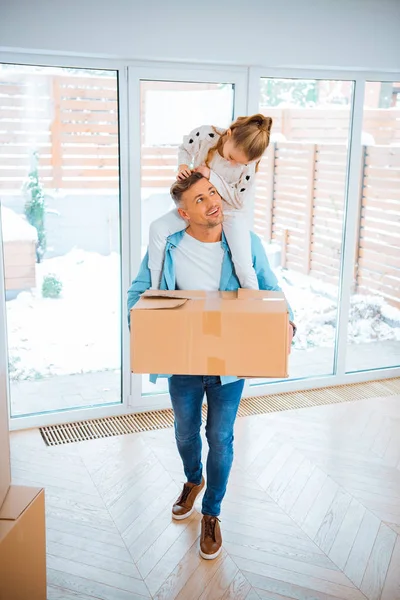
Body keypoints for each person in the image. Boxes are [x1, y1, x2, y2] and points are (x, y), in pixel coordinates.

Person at [127, 172, 296, 560]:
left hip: (228, 361)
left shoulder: (243, 244)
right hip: (182, 360)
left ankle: (212, 513)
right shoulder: (167, 246)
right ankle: (193, 479)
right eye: (200, 200)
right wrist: (142, 323)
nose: (212, 202)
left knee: (220, 438)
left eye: (212, 193)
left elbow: (271, 289)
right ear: (183, 213)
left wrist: (287, 320)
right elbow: (139, 290)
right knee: (186, 434)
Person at [148, 114, 273, 291]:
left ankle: (252, 307)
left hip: (229, 211)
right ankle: (155, 291)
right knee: (157, 228)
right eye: (231, 157)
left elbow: (238, 200)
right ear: (229, 134)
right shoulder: (207, 136)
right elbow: (185, 148)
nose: (232, 164)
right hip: (199, 209)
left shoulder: (248, 166)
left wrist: (211, 176)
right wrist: (183, 166)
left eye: (239, 163)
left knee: (244, 265)